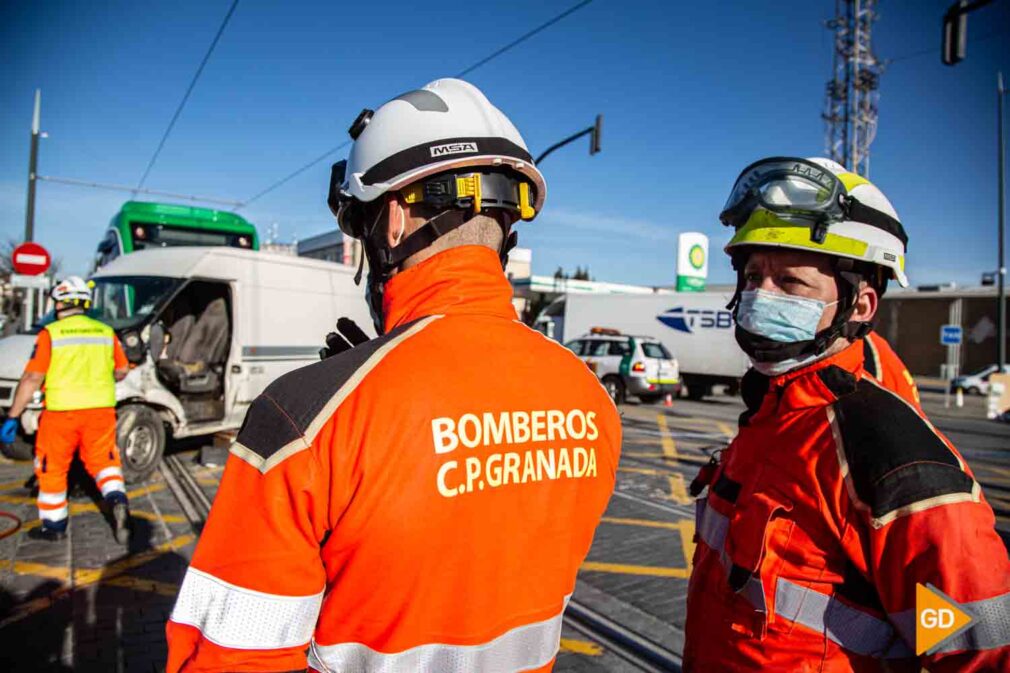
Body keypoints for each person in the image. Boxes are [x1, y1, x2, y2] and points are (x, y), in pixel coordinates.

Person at [165, 78, 621, 673]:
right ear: (508, 225)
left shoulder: (301, 418)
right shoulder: (591, 400)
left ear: (397, 217)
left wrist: (352, 402)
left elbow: (230, 658)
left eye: (361, 226)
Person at [684, 156, 1010, 671]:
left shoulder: (891, 457)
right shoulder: (769, 415)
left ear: (861, 305)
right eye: (752, 277)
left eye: (790, 283)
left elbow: (976, 650)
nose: (758, 296)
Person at [1, 276, 131, 543]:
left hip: (62, 414)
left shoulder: (51, 334)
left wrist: (13, 415)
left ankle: (54, 526)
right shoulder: (106, 333)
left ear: (59, 303)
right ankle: (117, 498)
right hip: (101, 411)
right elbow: (122, 370)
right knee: (104, 461)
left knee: (53, 467)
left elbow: (32, 379)